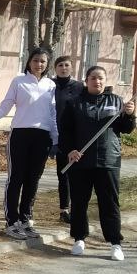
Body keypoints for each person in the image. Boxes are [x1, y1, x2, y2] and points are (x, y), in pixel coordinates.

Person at [60, 64, 136, 261]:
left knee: (109, 203)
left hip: (108, 160)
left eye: (101, 78)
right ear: (86, 81)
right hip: (81, 161)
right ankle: (79, 238)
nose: (97, 81)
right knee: (79, 202)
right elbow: (65, 131)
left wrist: (129, 115)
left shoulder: (116, 101)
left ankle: (115, 243)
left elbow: (126, 129)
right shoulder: (74, 103)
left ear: (105, 80)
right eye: (93, 78)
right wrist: (70, 150)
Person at [0, 46, 57, 239]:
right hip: (20, 134)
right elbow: (6, 105)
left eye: (43, 61)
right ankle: (12, 222)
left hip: (42, 136)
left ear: (47, 64)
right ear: (29, 61)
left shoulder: (51, 85)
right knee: (16, 178)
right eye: (35, 60)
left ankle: (26, 219)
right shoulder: (19, 81)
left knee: (32, 180)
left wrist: (56, 139)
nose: (39, 64)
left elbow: (52, 114)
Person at [51, 55, 83, 223]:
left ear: (71, 68)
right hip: (48, 133)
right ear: (55, 68)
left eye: (67, 65)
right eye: (60, 65)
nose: (64, 68)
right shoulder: (49, 85)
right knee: (34, 174)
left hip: (69, 137)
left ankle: (65, 210)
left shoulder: (78, 87)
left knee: (65, 174)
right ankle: (27, 213)